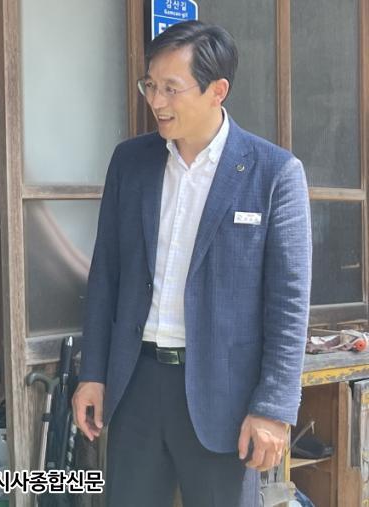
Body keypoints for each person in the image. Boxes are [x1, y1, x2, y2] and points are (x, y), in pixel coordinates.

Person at [72, 21, 311, 506]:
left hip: (224, 397)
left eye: (171, 88)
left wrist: (273, 407)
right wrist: (92, 372)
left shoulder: (273, 173)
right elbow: (106, 277)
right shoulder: (131, 163)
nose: (156, 101)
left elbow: (288, 303)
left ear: (217, 91)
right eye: (150, 85)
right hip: (136, 384)